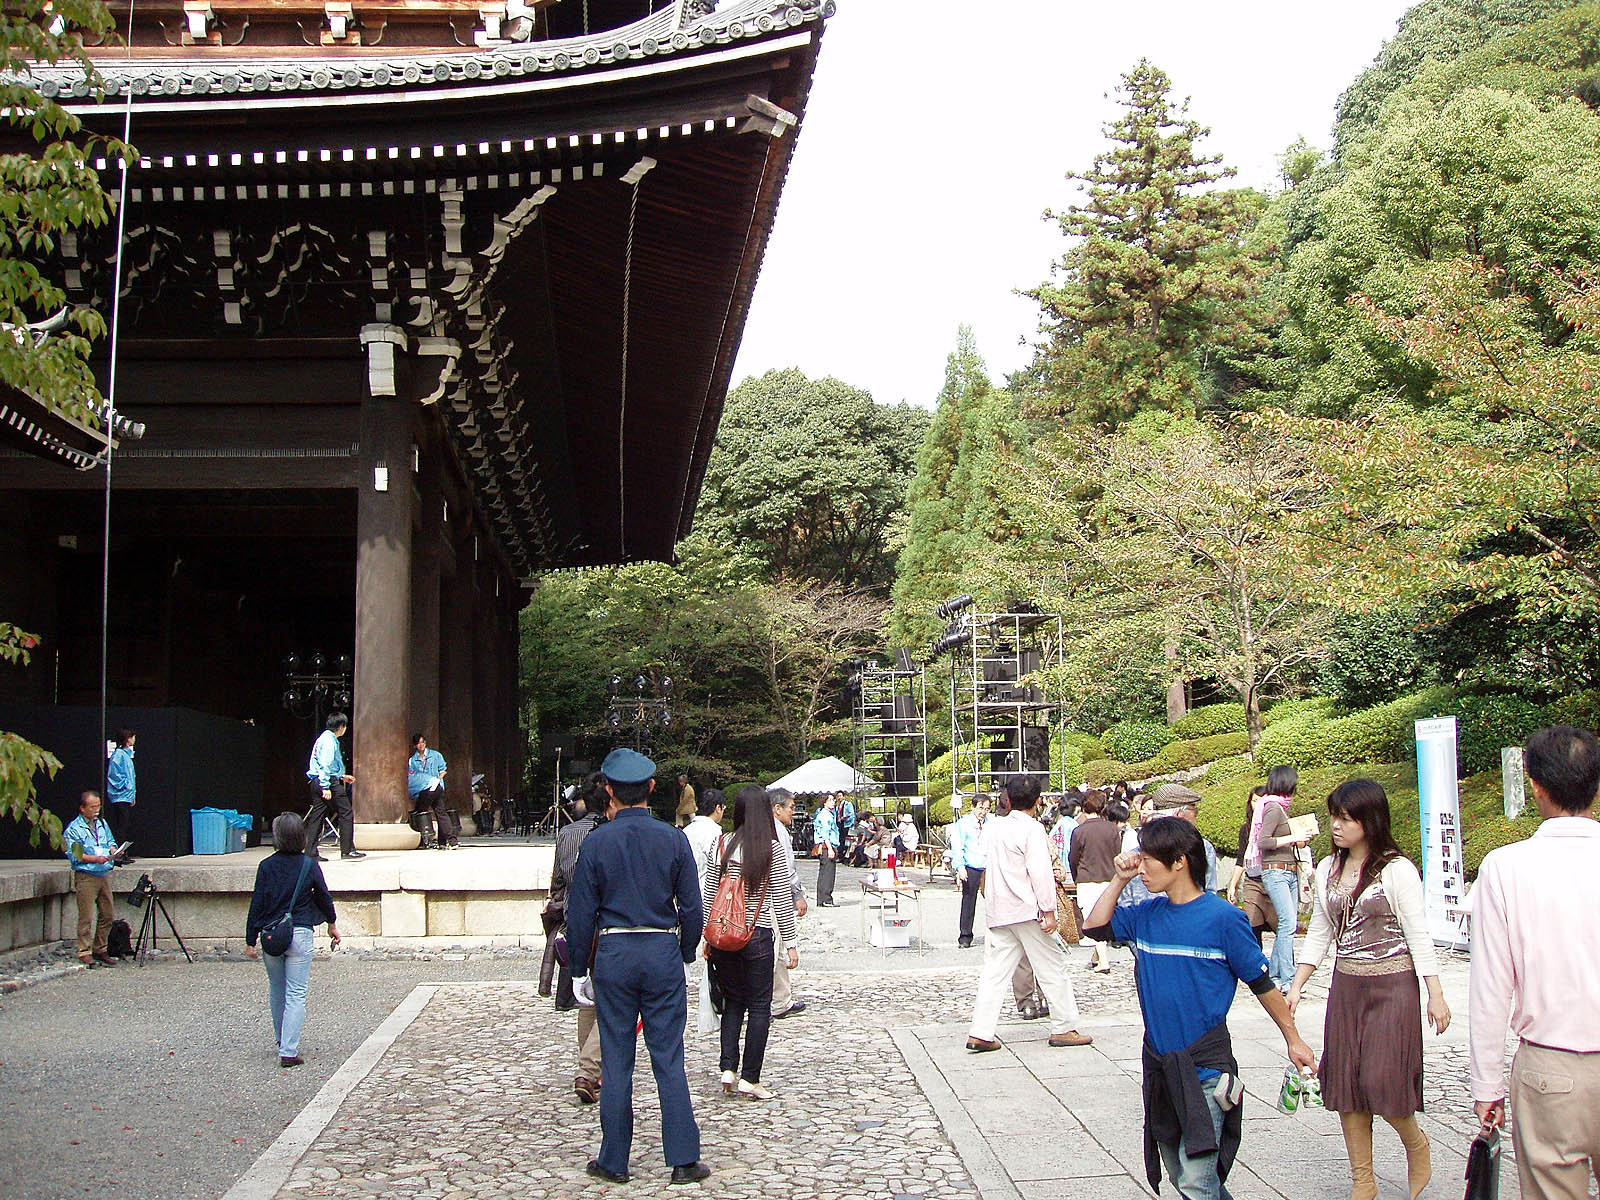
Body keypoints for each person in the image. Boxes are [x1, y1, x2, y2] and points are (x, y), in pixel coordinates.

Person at [1084, 818, 1316, 1200]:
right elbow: (1094, 928)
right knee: (1183, 1176)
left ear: (1179, 861)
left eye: (1148, 859)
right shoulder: (1145, 915)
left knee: (1196, 1181)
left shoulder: (1224, 919)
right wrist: (1119, 879)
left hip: (1206, 1069)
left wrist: (1294, 1040)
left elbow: (1262, 985)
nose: (1141, 867)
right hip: (1161, 1066)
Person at [1287, 778, 1448, 1200]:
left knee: (1381, 1079)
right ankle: (1364, 1180)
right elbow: (1321, 931)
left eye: (1346, 818)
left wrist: (1435, 993)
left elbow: (1417, 933)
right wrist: (1298, 984)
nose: (1336, 826)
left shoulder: (1397, 870)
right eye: (1334, 817)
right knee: (1346, 1086)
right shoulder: (1328, 868)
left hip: (1393, 986)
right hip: (1347, 986)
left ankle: (1415, 1143)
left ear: (1369, 820)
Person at [565, 748, 710, 1186]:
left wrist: (578, 969)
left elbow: (580, 913)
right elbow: (692, 907)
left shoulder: (597, 842)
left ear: (609, 791)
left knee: (616, 1059)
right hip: (661, 949)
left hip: (615, 952)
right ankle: (683, 1158)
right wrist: (686, 952)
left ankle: (613, 1159)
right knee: (668, 1057)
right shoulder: (673, 838)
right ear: (651, 788)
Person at [1470, 724, 1600, 1200]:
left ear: (1536, 785)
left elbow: (1491, 987)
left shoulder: (1506, 867)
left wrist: (1487, 1084)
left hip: (1551, 1069)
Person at [965, 775, 1092, 1052]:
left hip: (1000, 910)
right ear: (1037, 802)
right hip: (1029, 909)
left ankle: (980, 1031)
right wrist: (1049, 910)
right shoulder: (1033, 829)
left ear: (1008, 800)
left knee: (995, 973)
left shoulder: (994, 827)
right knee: (1052, 968)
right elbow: (1040, 873)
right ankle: (1064, 1026)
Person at [701, 786, 799, 1099]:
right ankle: (751, 1077)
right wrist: (790, 943)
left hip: (724, 936)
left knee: (733, 1002)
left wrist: (706, 935)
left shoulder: (723, 843)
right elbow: (781, 899)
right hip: (757, 934)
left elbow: (711, 893)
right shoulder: (772, 849)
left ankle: (727, 1068)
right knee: (759, 1007)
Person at [244, 813, 340, 1067]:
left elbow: (257, 902)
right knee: (296, 993)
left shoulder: (266, 866)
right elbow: (323, 896)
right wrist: (331, 923)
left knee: (277, 990)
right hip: (300, 931)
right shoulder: (309, 865)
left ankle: (281, 1038)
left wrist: (250, 937)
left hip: (272, 933)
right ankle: (288, 1050)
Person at [547, 774, 608, 1102]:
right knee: (612, 999)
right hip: (606, 922)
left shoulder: (567, 834)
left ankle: (591, 1068)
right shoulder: (608, 834)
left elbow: (557, 881)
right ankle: (589, 1069)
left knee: (587, 999)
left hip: (574, 921)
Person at [1245, 765, 1308, 992]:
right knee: (1288, 924)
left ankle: (1276, 975)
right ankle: (1288, 978)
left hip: (1287, 869)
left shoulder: (1280, 807)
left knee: (1286, 925)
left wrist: (1298, 839)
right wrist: (1292, 837)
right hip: (1276, 870)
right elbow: (1264, 841)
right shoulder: (1272, 807)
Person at [64, 790, 124, 967]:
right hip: (86, 875)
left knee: (107, 913)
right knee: (86, 916)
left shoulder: (102, 823)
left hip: (103, 873)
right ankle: (84, 950)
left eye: (98, 806)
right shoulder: (74, 829)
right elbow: (76, 855)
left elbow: (110, 841)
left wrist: (114, 851)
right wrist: (95, 859)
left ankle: (101, 948)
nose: (96, 810)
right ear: (82, 808)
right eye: (92, 807)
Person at [685, 788, 727, 1035]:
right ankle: (712, 1005)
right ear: (718, 808)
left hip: (686, 897)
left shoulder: (686, 831)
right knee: (712, 954)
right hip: (709, 896)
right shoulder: (715, 834)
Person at [1069, 790, 1121, 972]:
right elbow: (1117, 854)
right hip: (1108, 877)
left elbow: (1073, 858)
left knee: (1093, 919)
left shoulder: (1079, 831)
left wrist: (1076, 877)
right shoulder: (1112, 829)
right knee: (1103, 918)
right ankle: (1097, 956)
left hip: (1087, 878)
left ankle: (1103, 960)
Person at [770, 788, 808, 1020]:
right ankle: (779, 1001)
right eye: (791, 808)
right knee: (778, 949)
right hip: (777, 898)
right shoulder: (779, 832)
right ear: (778, 808)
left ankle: (779, 998)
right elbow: (787, 868)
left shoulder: (756, 829)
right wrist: (798, 894)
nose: (793, 812)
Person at [306, 712, 361, 860]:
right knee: (346, 812)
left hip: (316, 780)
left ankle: (310, 852)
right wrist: (325, 786)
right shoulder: (330, 741)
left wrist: (341, 776)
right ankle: (347, 850)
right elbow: (325, 764)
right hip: (326, 781)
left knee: (317, 816)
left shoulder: (323, 738)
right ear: (341, 726)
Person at [1227, 786, 1278, 947]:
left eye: (1262, 801)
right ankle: (1256, 961)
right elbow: (1242, 858)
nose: (1258, 805)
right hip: (1253, 881)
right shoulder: (1246, 829)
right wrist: (1233, 885)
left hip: (1275, 881)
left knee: (1282, 929)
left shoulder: (1277, 825)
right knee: (1252, 928)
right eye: (1255, 801)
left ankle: (1283, 962)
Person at [949, 795, 990, 948]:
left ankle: (996, 934)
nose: (983, 812)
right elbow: (957, 846)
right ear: (973, 807)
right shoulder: (963, 823)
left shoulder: (992, 822)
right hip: (971, 865)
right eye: (980, 808)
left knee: (995, 901)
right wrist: (960, 867)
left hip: (988, 866)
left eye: (986, 809)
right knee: (968, 900)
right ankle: (965, 936)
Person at [407, 733, 459, 850]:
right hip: (423, 789)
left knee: (424, 811)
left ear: (425, 743)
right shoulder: (412, 760)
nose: (421, 745)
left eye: (423, 742)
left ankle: (428, 839)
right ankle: (446, 841)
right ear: (415, 745)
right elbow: (412, 775)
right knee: (439, 812)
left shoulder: (435, 755)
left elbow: (443, 770)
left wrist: (437, 780)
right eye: (418, 743)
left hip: (436, 787)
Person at [105, 728, 137, 861]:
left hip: (126, 796)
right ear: (128, 739)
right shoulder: (119, 755)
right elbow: (115, 775)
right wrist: (126, 788)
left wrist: (132, 795)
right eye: (132, 737)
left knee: (125, 825)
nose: (134, 739)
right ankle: (119, 854)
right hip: (120, 796)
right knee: (121, 826)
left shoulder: (126, 755)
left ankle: (123, 853)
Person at [812, 793, 840, 907]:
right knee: (828, 873)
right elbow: (825, 833)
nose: (833, 802)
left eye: (833, 800)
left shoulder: (827, 814)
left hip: (825, 846)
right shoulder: (825, 815)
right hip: (826, 846)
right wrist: (830, 848)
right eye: (830, 800)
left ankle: (822, 899)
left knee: (824, 873)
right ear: (824, 802)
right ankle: (826, 898)